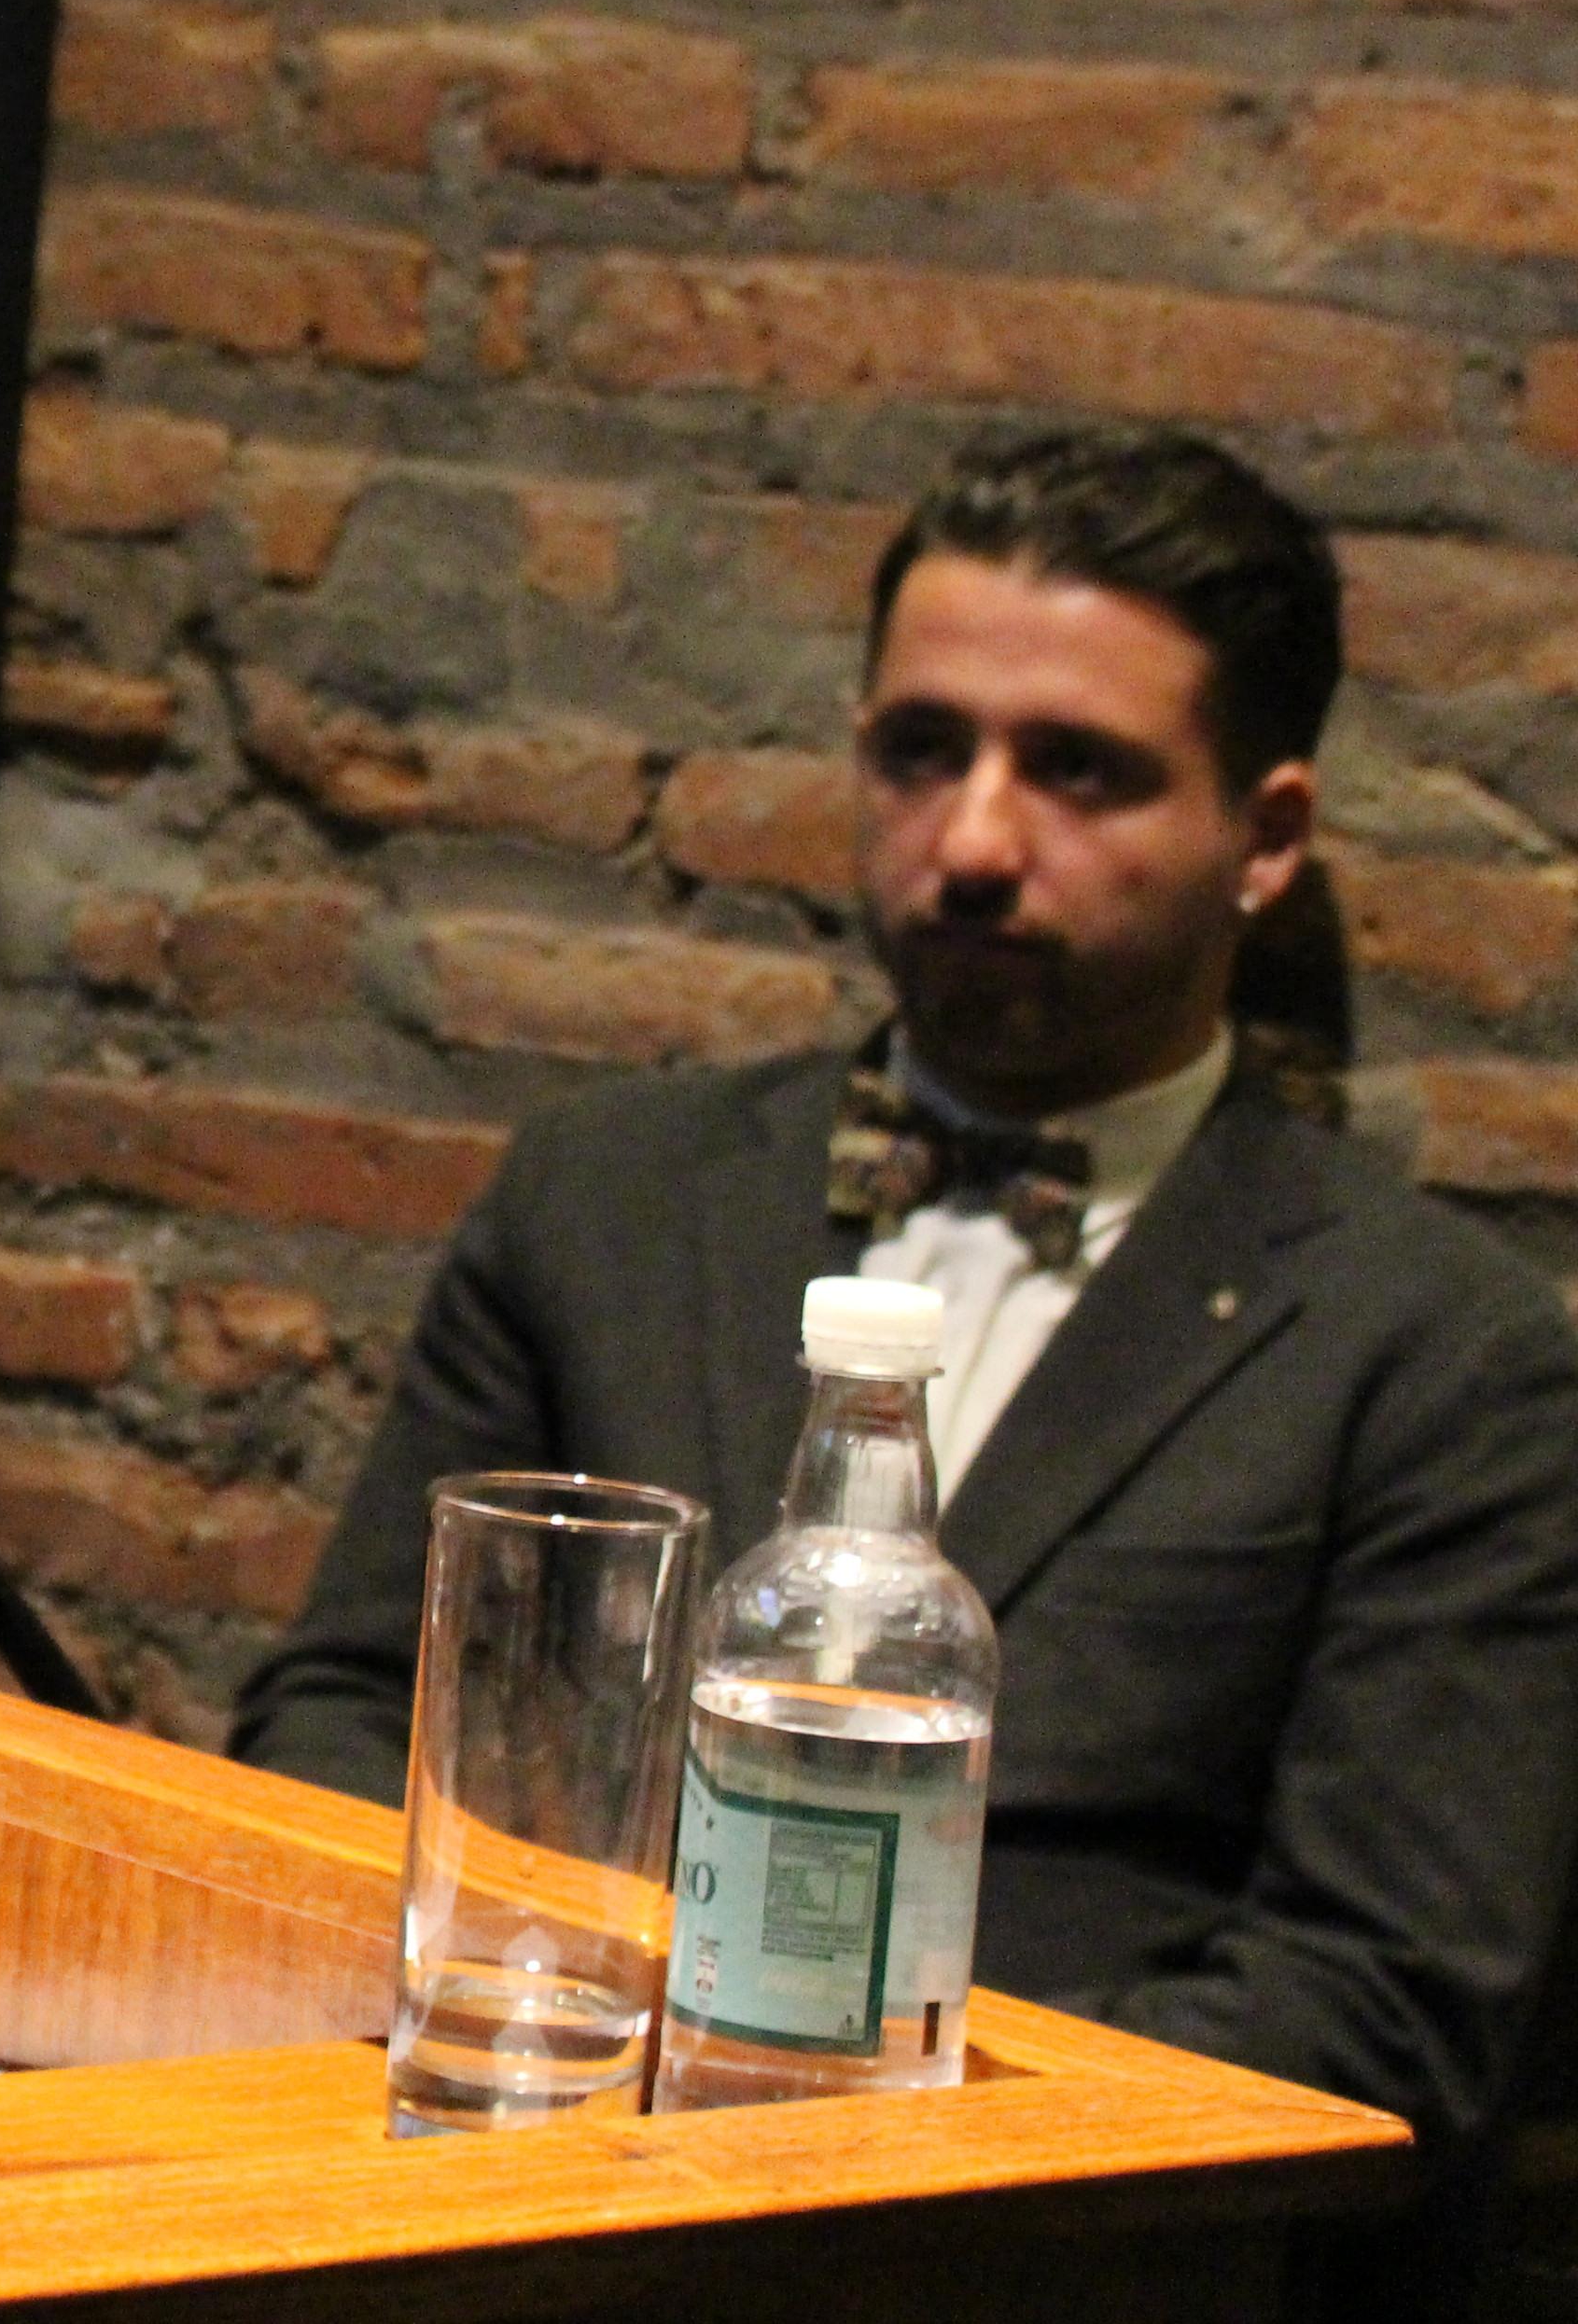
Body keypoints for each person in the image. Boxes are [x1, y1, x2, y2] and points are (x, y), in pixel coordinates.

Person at [238, 427, 1578, 2162]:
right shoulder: (607, 1202)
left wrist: (857, 2133)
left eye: (1080, 773)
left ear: (1268, 837)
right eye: (921, 751)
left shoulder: (1440, 1353)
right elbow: (333, 1728)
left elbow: (1381, 2006)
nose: (972, 841)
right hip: (526, 2173)